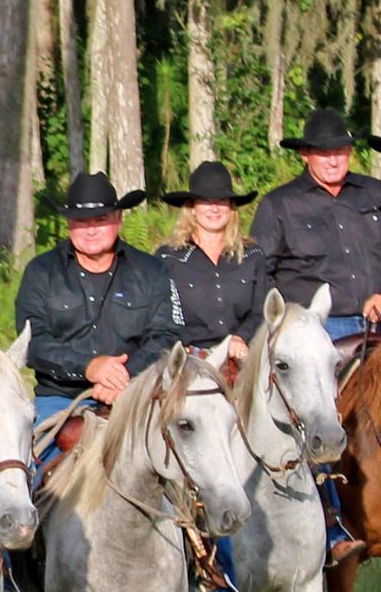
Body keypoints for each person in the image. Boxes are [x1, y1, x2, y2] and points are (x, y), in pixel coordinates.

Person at [249, 106, 381, 345]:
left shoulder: (378, 194)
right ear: (305, 154)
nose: (333, 161)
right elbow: (258, 273)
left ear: (350, 150)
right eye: (323, 153)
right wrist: (284, 324)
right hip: (315, 329)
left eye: (339, 151)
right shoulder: (278, 205)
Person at [14, 170, 175, 424]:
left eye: (100, 220)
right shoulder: (40, 272)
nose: (91, 230)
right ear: (68, 223)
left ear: (119, 219)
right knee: (31, 459)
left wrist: (125, 376)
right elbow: (32, 343)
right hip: (60, 399)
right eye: (81, 221)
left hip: (137, 391)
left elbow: (166, 335)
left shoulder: (151, 270)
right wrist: (89, 367)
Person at [155, 159, 263, 374]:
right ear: (192, 208)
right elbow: (161, 314)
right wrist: (178, 347)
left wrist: (241, 337)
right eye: (205, 201)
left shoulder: (252, 255)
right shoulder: (169, 257)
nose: (214, 208)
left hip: (240, 360)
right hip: (189, 363)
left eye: (221, 200)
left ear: (231, 206)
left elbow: (260, 310)